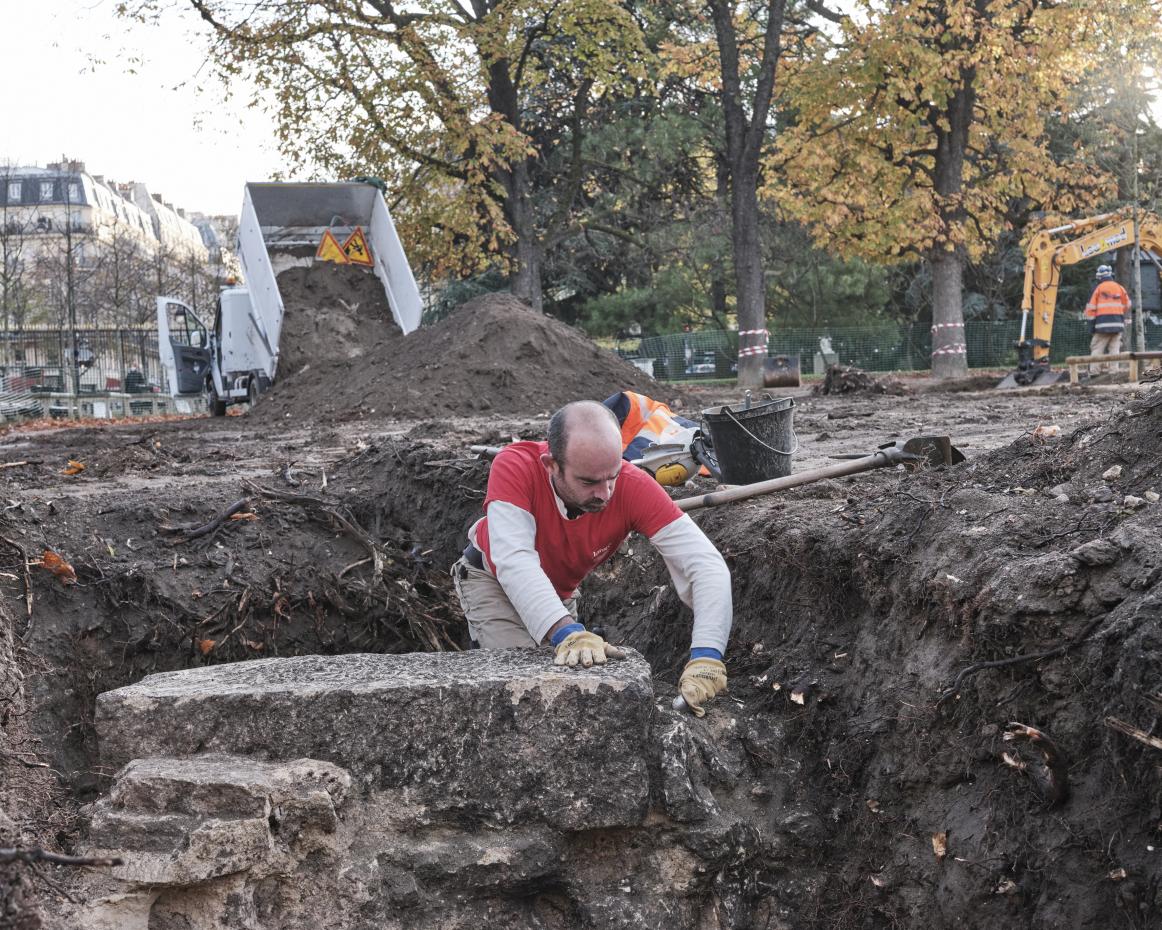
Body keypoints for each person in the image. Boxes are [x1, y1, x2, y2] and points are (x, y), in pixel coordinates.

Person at [451, 400, 732, 716]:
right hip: (493, 581)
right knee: (522, 694)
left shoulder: (631, 484)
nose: (605, 493)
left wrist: (708, 654)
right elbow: (513, 560)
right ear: (551, 465)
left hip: (558, 592)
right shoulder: (515, 466)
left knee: (565, 693)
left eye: (611, 476)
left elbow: (704, 563)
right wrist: (567, 633)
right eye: (589, 482)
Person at [1084, 264, 1132, 374]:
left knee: (1097, 348)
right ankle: (1114, 373)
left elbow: (1090, 308)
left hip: (1102, 325)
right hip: (1118, 325)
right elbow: (1127, 304)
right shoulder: (1119, 287)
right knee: (1114, 350)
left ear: (1099, 276)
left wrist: (1091, 324)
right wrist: (1119, 313)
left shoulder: (1098, 288)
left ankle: (1094, 373)